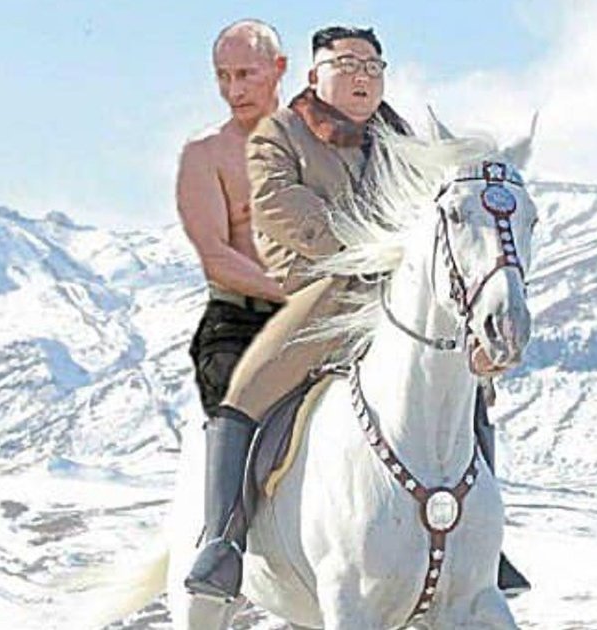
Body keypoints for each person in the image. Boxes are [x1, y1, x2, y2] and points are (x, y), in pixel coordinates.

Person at [183, 25, 530, 601]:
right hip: (320, 285)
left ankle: (482, 545)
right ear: (314, 76)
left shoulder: (405, 143)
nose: (362, 76)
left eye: (372, 66)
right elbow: (274, 204)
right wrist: (362, 245)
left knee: (466, 386)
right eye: (346, 65)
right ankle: (222, 542)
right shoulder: (280, 134)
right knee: (246, 389)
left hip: (400, 289)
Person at [176, 16, 287, 587]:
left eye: (246, 74)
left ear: (279, 69)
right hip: (238, 322)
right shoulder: (206, 154)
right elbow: (217, 256)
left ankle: (472, 540)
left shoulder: (318, 145)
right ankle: (222, 545)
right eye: (223, 76)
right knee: (233, 392)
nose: (233, 89)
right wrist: (293, 293)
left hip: (320, 317)